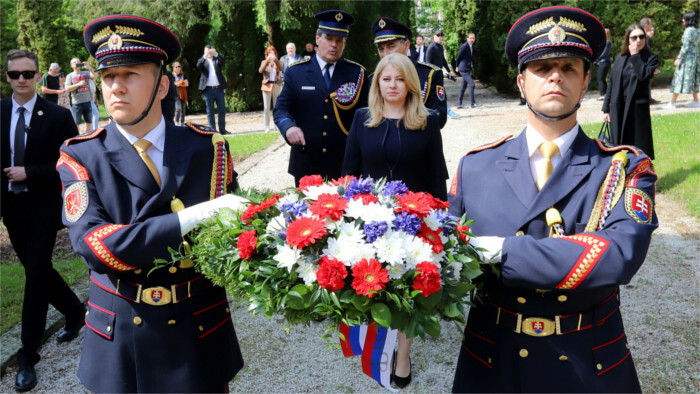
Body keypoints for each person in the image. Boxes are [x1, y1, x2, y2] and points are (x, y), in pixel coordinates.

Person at [449, 6, 658, 392]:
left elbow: (619, 255)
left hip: (586, 362)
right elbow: (446, 264)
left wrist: (503, 252)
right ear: (521, 83)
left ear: (584, 84)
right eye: (542, 68)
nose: (555, 76)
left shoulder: (624, 168)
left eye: (568, 67)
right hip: (494, 359)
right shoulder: (475, 167)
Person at [57, 15, 246, 392]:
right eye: (108, 77)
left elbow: (236, 237)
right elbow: (96, 246)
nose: (116, 87)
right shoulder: (82, 155)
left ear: (162, 86)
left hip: (198, 327)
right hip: (125, 332)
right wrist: (192, 218)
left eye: (129, 75)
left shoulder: (208, 148)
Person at [342, 53, 448, 389]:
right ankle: (375, 345)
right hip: (369, 219)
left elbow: (436, 177)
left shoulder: (427, 121)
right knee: (373, 284)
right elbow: (348, 172)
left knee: (408, 291)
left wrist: (440, 220)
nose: (392, 85)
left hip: (413, 222)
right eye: (386, 79)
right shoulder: (362, 119)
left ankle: (402, 356)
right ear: (378, 84)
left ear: (410, 85)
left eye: (399, 79)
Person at [2, 49, 83, 392]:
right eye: (14, 74)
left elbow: (72, 161)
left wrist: (29, 173)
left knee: (36, 274)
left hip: (44, 207)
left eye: (27, 73)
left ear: (38, 75)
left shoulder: (57, 115)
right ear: (7, 76)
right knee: (39, 269)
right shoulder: (0, 111)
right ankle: (75, 312)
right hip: (12, 210)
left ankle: (27, 355)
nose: (21, 79)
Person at [274, 10, 369, 186]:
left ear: (344, 42)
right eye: (329, 38)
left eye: (339, 40)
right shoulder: (296, 72)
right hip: (306, 163)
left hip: (345, 164)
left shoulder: (357, 74)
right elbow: (281, 109)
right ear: (318, 39)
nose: (334, 45)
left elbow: (367, 114)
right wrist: (288, 127)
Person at [371, 18, 447, 128]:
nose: (386, 54)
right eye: (381, 49)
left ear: (406, 45)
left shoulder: (429, 75)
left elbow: (440, 118)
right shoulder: (372, 79)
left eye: (391, 46)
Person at [603, 24, 658, 159]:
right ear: (628, 40)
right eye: (634, 37)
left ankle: (641, 174)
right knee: (619, 145)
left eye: (641, 36)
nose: (638, 40)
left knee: (639, 146)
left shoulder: (651, 58)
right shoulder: (619, 59)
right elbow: (612, 84)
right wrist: (606, 109)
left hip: (637, 109)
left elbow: (643, 76)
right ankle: (622, 174)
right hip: (618, 106)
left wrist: (635, 56)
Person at [665, 11, 700, 109]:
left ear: (688, 20)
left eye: (684, 18)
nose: (682, 20)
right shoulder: (697, 30)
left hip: (687, 59)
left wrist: (679, 58)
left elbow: (685, 46)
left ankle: (672, 103)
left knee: (679, 78)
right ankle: (696, 100)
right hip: (694, 58)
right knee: (693, 78)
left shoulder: (688, 31)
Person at [197, 44, 228, 134]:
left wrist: (216, 54)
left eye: (211, 51)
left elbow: (223, 62)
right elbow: (198, 65)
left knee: (222, 109)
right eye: (208, 51)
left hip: (218, 89)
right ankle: (213, 130)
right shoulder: (203, 61)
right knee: (210, 111)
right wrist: (204, 56)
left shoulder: (216, 59)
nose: (209, 53)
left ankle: (222, 130)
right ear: (204, 52)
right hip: (208, 90)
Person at [65, 57, 96, 134]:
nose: (77, 63)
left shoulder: (85, 73)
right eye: (75, 62)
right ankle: (77, 138)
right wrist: (78, 84)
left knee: (88, 122)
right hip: (77, 104)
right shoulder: (70, 76)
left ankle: (86, 137)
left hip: (87, 102)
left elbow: (95, 75)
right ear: (71, 65)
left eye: (78, 61)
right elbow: (67, 89)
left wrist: (89, 67)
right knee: (76, 123)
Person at [259, 45, 283, 133]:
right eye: (269, 52)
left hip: (276, 85)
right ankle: (267, 126)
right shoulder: (264, 61)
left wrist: (275, 60)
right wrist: (267, 61)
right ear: (267, 53)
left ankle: (276, 125)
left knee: (276, 106)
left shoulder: (278, 62)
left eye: (272, 52)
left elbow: (281, 68)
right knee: (266, 107)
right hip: (266, 86)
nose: (271, 54)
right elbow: (260, 71)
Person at [456, 32, 479, 108]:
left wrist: (470, 63)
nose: (472, 39)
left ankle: (459, 104)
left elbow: (468, 57)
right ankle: (473, 103)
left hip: (467, 68)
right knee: (472, 84)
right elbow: (458, 56)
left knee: (463, 86)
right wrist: (457, 66)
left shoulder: (471, 46)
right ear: (467, 38)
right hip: (463, 69)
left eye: (473, 38)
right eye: (471, 38)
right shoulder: (464, 46)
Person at [595, 28, 612, 101]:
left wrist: (597, 58)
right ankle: (605, 94)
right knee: (602, 79)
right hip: (602, 62)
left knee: (600, 78)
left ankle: (602, 94)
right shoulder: (604, 42)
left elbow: (604, 53)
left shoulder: (608, 42)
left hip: (604, 61)